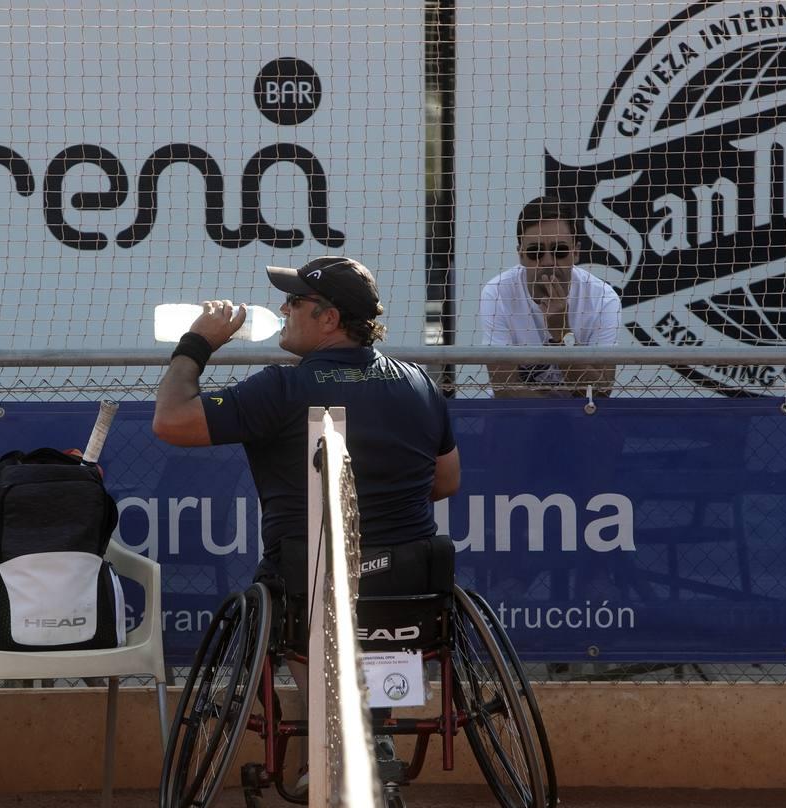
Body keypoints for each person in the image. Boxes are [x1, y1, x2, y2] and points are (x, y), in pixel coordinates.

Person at [152, 256, 461, 762]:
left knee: (292, 585)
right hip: (409, 586)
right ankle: (365, 731)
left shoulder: (282, 388)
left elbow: (170, 420)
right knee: (315, 581)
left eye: (295, 301)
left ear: (329, 319)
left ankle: (344, 743)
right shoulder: (418, 383)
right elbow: (446, 481)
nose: (282, 308)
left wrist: (197, 343)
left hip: (311, 584)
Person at [479, 195, 622, 397]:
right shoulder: (497, 292)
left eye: (560, 251)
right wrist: (554, 417)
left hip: (582, 419)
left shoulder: (603, 298)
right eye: (535, 252)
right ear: (521, 255)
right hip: (519, 420)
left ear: (576, 252)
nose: (548, 262)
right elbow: (504, 388)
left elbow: (600, 392)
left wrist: (562, 331)